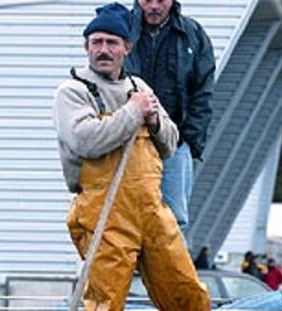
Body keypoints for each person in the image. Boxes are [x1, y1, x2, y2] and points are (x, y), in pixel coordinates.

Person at [53, 3, 210, 310]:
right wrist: (133, 112)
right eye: (96, 42)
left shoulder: (140, 87)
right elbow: (87, 141)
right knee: (105, 301)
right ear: (86, 47)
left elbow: (171, 142)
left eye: (111, 42)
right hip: (103, 214)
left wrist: (153, 121)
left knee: (187, 292)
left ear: (127, 47)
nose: (103, 49)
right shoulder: (72, 91)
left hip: (152, 209)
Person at [125, 0, 215, 237]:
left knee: (174, 221)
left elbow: (203, 92)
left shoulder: (193, 35)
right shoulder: (121, 29)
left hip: (175, 144)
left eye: (161, 0)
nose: (154, 6)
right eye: (147, 0)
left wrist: (191, 140)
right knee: (125, 217)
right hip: (126, 140)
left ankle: (170, 274)